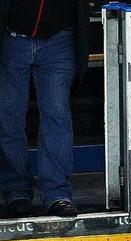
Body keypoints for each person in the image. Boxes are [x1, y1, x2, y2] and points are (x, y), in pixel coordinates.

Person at [0, 0, 89, 218]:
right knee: (9, 116)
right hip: (12, 37)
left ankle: (57, 193)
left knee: (57, 116)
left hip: (60, 39)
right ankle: (15, 190)